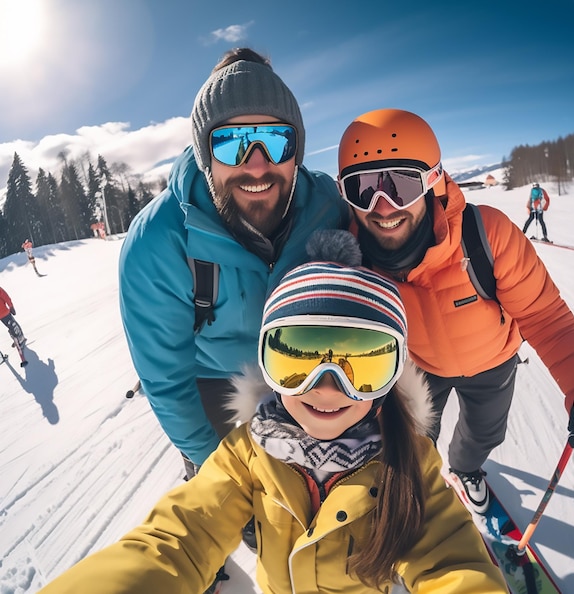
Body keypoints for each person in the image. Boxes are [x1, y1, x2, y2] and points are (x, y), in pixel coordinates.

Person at [39, 232, 508, 593]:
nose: (327, 387)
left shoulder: (410, 462)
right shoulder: (247, 455)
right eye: (298, 359)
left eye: (361, 362)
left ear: (392, 377)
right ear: (267, 365)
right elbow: (179, 539)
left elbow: (453, 563)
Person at [336, 108, 574, 514]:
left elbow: (545, 315)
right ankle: (417, 483)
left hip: (494, 364)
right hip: (418, 369)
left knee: (482, 434)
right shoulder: (352, 261)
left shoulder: (487, 235)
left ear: (432, 181)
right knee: (411, 440)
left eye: (400, 185)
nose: (382, 206)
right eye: (364, 189)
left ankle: (465, 470)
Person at [118, 47, 349, 484]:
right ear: (205, 156)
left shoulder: (328, 205)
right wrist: (214, 470)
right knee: (237, 508)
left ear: (296, 150)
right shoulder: (159, 240)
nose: (256, 164)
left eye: (275, 140)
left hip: (305, 372)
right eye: (232, 143)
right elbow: (167, 380)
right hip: (216, 385)